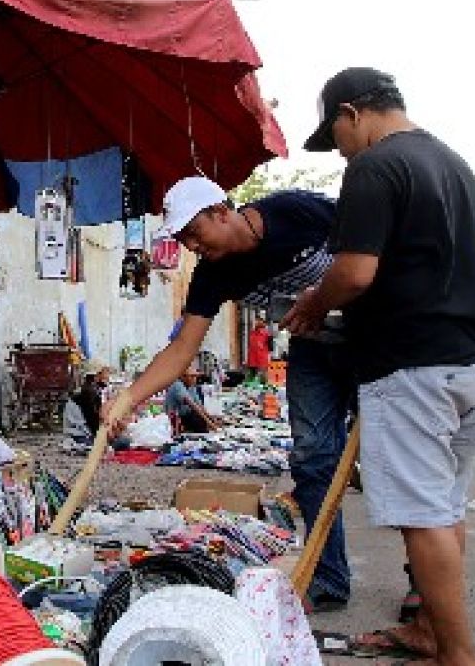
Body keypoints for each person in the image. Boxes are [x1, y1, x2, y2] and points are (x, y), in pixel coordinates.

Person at [285, 67, 475, 666]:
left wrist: (314, 303)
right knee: (445, 508)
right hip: (473, 361)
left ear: (352, 113)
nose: (340, 152)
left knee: (423, 518)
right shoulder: (452, 163)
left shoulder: (375, 167)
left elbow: (355, 272)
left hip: (414, 365)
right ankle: (432, 632)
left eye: (336, 136)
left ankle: (457, 655)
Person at [102, 175, 354, 611]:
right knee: (312, 457)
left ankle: (423, 585)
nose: (192, 247)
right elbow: (182, 348)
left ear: (221, 212)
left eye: (194, 234)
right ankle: (328, 579)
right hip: (313, 346)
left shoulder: (296, 211)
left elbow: (370, 244)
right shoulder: (212, 275)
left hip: (371, 335)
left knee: (395, 457)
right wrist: (128, 397)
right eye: (183, 240)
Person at [246, 316, 273, 386]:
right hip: (252, 361)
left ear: (263, 322)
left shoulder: (267, 334)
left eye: (258, 320)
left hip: (262, 361)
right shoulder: (252, 333)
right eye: (256, 320)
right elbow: (250, 347)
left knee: (263, 381)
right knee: (250, 381)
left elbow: (270, 347)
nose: (256, 322)